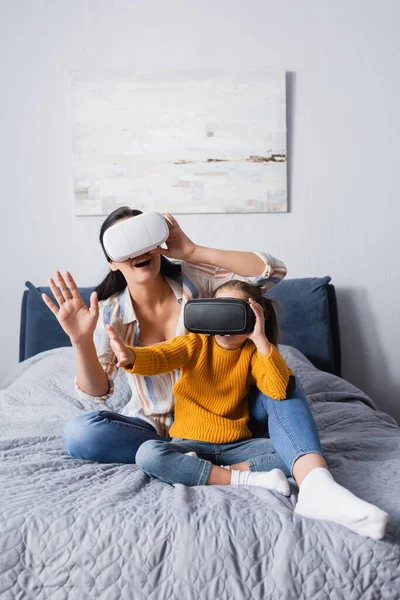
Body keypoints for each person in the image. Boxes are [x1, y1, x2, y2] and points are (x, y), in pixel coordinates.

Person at [42, 207, 388, 539]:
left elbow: (272, 271)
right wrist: (81, 341)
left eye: (143, 238)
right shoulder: (107, 312)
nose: (137, 251)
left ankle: (317, 485)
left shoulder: (201, 285)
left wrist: (192, 251)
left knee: (285, 382)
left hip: (231, 413)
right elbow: (97, 391)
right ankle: (190, 459)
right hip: (158, 429)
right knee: (81, 433)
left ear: (156, 244)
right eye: (124, 245)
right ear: (112, 263)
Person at [106, 279, 295, 497]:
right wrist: (131, 355)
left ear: (254, 318)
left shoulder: (255, 353)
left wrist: (261, 339)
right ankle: (243, 478)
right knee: (148, 454)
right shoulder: (195, 343)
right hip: (189, 445)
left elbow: (279, 389)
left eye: (234, 313)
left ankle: (214, 474)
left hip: (237, 446)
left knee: (298, 453)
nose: (225, 322)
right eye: (220, 311)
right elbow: (161, 355)